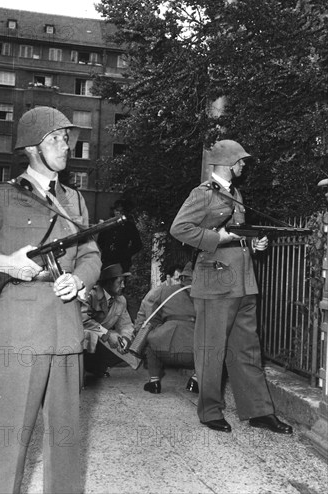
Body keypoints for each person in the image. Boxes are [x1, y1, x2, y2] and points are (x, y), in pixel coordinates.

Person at [0, 106, 101, 493]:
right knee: (7, 441)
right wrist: (4, 263)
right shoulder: (1, 196)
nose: (66, 146)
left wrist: (79, 281)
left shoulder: (74, 200)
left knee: (64, 443)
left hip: (65, 330)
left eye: (67, 138)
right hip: (19, 334)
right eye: (56, 139)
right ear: (33, 148)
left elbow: (91, 254)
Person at [170, 139, 293, 435]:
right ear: (227, 162)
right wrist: (218, 239)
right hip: (215, 282)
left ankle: (259, 411)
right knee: (211, 350)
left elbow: (236, 233)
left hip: (242, 281)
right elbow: (179, 228)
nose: (243, 166)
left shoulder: (236, 193)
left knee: (247, 350)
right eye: (240, 161)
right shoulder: (202, 194)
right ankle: (210, 410)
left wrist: (253, 242)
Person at [134, 262, 199, 394]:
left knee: (151, 340)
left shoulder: (165, 291)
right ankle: (195, 381)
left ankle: (154, 382)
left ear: (182, 278)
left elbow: (153, 320)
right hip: (194, 353)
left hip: (164, 350)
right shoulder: (206, 296)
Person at [82, 263, 135, 377]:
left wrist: (125, 338)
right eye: (120, 282)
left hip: (101, 339)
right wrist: (107, 334)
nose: (123, 286)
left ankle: (97, 366)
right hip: (84, 336)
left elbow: (126, 324)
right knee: (89, 336)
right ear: (108, 282)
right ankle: (85, 367)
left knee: (132, 345)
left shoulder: (121, 300)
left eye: (124, 282)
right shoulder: (90, 294)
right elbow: (83, 321)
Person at [97, 199, 142, 271]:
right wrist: (106, 251)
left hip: (122, 262)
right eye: (116, 210)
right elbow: (100, 241)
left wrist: (126, 254)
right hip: (107, 261)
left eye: (121, 211)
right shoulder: (107, 224)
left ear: (124, 212)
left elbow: (137, 244)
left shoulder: (129, 226)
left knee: (120, 280)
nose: (118, 213)